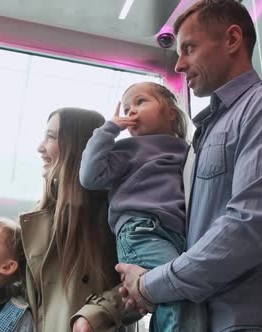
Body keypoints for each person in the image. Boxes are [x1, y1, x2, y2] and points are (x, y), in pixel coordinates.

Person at [116, 1, 262, 331]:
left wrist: (151, 285)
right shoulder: (205, 133)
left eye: (189, 49)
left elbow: (249, 228)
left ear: (231, 40)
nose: (180, 65)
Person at [0, 108, 138, 332]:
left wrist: (96, 315)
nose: (40, 147)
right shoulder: (35, 219)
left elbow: (142, 282)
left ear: (77, 145)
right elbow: (19, 289)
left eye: (51, 137)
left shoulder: (115, 210)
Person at [79, 82, 195, 331]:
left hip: (179, 236)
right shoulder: (126, 149)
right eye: (127, 106)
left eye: (141, 102)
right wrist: (108, 130)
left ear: (171, 113)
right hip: (140, 231)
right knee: (178, 290)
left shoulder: (188, 150)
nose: (131, 111)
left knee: (175, 296)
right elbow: (90, 176)